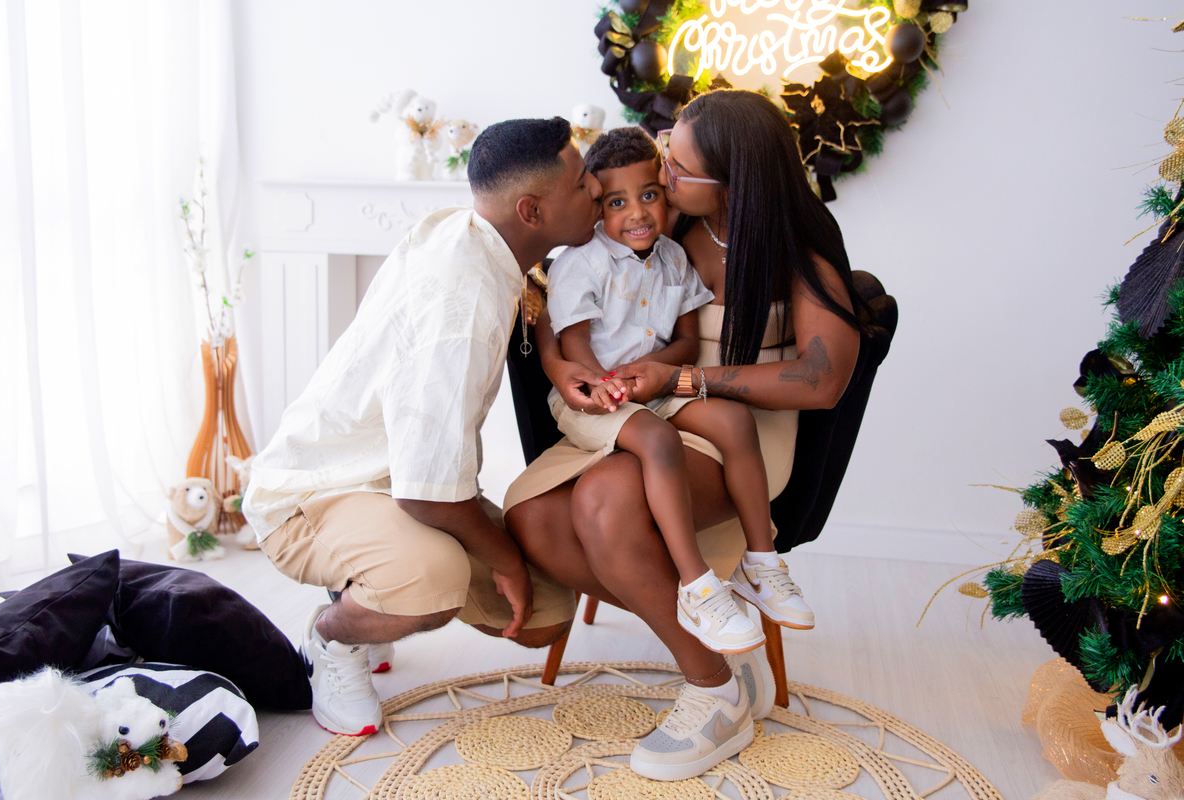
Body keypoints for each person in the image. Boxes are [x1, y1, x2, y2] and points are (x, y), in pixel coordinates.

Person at [504, 89, 871, 781]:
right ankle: (727, 646)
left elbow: (821, 381)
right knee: (535, 523)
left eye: (675, 166)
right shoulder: (664, 227)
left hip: (741, 433)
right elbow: (568, 288)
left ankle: (712, 688)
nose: (661, 175)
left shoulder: (795, 250)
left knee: (603, 506)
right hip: (648, 409)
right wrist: (569, 364)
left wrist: (688, 382)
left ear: (730, 182)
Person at [240, 117, 604, 737]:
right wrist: (505, 563)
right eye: (582, 182)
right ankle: (332, 640)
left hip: (400, 478)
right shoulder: (460, 305)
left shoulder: (477, 235)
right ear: (531, 210)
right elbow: (425, 491)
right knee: (432, 582)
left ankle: (364, 587)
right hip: (316, 493)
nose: (596, 189)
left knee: (546, 614)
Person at [547, 126, 789, 656]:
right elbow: (574, 348)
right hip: (593, 397)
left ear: (665, 193)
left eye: (649, 195)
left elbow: (683, 343)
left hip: (650, 388)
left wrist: (650, 371)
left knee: (732, 420)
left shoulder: (674, 259)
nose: (637, 213)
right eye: (617, 202)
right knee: (657, 441)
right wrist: (612, 387)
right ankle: (696, 584)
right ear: (596, 207)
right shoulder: (579, 264)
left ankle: (762, 564)